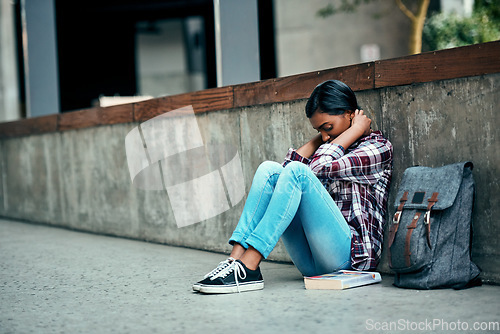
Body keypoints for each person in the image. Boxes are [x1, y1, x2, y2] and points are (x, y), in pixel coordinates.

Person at [193, 80, 393, 294]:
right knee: (269, 170)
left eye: (328, 128)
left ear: (350, 114)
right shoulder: (329, 146)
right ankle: (235, 260)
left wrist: (355, 131)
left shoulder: (377, 148)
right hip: (311, 263)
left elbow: (317, 167)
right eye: (319, 131)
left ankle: (249, 266)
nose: (325, 137)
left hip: (350, 262)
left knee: (298, 172)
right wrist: (325, 136)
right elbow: (282, 176)